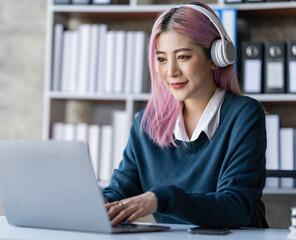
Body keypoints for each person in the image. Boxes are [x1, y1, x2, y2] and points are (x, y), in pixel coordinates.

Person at [102, 2, 269, 228]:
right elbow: (120, 191)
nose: (171, 72)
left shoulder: (243, 114)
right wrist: (99, 203)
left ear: (214, 57)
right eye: (162, 59)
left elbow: (236, 207)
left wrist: (163, 199)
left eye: (183, 57)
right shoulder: (147, 123)